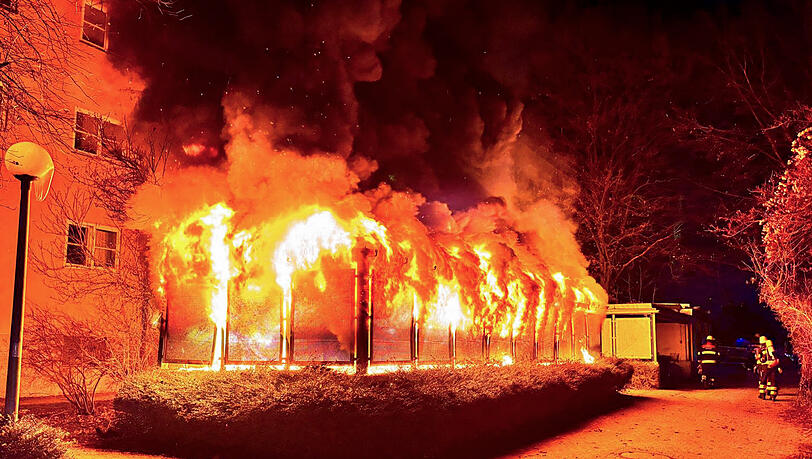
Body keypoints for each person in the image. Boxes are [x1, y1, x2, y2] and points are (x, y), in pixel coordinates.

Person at [755, 336, 781, 400]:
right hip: (773, 365)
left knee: (763, 380)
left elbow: (761, 359)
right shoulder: (772, 350)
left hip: (765, 366)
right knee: (772, 380)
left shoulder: (764, 350)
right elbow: (776, 358)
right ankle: (773, 395)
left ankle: (762, 394)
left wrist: (758, 356)